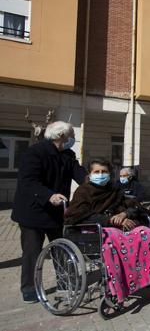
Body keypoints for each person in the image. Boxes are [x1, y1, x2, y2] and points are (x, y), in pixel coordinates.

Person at [65, 159, 150, 303]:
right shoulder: (83, 191)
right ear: (90, 174)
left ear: (110, 174)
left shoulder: (114, 189)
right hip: (92, 228)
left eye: (104, 171)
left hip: (117, 226)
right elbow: (77, 215)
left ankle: (147, 277)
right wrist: (109, 220)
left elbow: (131, 204)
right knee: (116, 238)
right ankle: (120, 283)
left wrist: (124, 215)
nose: (101, 174)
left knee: (146, 233)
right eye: (97, 172)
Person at [11, 121, 87, 303]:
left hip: (57, 213)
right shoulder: (35, 152)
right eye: (71, 136)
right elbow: (28, 181)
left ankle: (65, 282)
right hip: (33, 213)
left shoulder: (68, 155)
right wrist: (49, 195)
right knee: (32, 252)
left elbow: (79, 174)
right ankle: (29, 288)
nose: (72, 140)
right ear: (61, 136)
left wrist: (93, 179)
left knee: (61, 249)